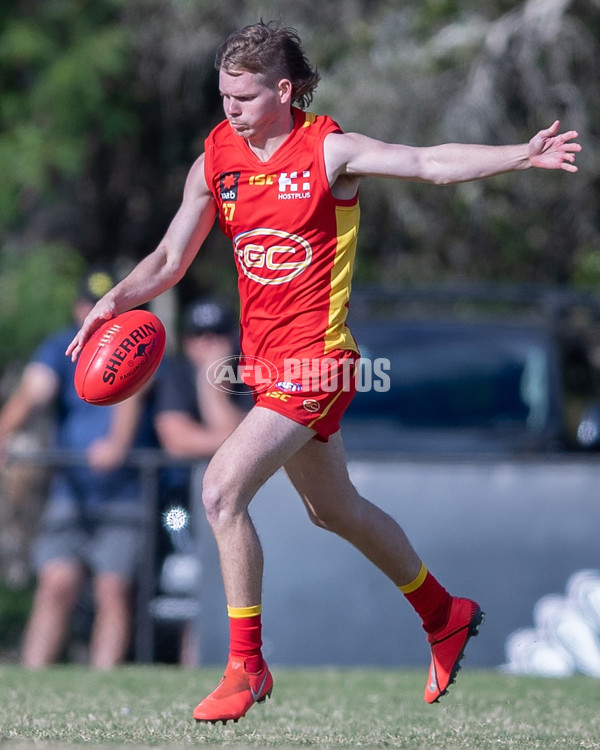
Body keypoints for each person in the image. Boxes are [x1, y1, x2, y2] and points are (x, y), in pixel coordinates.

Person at [66, 20, 581, 720]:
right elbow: (167, 261)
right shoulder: (217, 157)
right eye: (222, 95)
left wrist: (520, 155)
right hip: (268, 369)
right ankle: (444, 614)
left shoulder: (329, 151)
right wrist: (112, 302)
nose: (230, 110)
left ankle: (246, 667)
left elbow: (427, 162)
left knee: (220, 492)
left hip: (319, 365)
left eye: (244, 97)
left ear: (283, 90)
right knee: (331, 509)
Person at [0, 268, 156, 668]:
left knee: (113, 589)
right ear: (78, 307)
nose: (95, 312)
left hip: (124, 492)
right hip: (71, 490)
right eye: (88, 303)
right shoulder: (60, 347)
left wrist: (118, 445)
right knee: (55, 583)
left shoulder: (137, 339)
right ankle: (32, 676)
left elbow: (130, 397)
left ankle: (103, 682)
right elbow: (34, 389)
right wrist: (4, 431)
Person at [152, 296, 247, 665]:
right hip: (182, 511)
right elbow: (177, 440)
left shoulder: (251, 374)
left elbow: (243, 444)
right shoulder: (174, 373)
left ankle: (236, 667)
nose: (208, 343)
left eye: (218, 334)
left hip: (240, 505)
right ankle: (191, 671)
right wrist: (232, 440)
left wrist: (212, 384)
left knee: (235, 592)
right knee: (192, 590)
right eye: (199, 334)